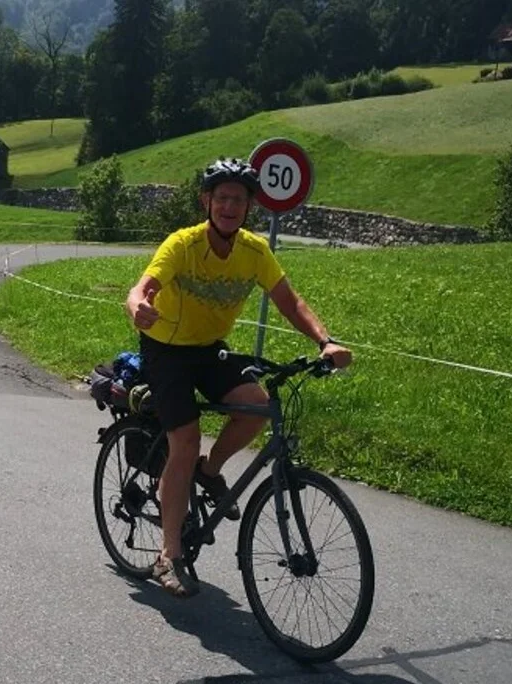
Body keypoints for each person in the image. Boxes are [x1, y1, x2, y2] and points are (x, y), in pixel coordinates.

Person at [124, 157, 352, 597]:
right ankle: (167, 555)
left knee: (255, 406)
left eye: (239, 200)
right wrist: (137, 304)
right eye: (222, 198)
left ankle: (210, 470)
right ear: (207, 201)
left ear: (249, 207)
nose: (230, 206)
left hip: (208, 349)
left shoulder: (254, 252)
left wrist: (325, 341)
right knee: (184, 442)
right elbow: (145, 286)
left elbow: (290, 302)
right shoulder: (183, 244)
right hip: (167, 350)